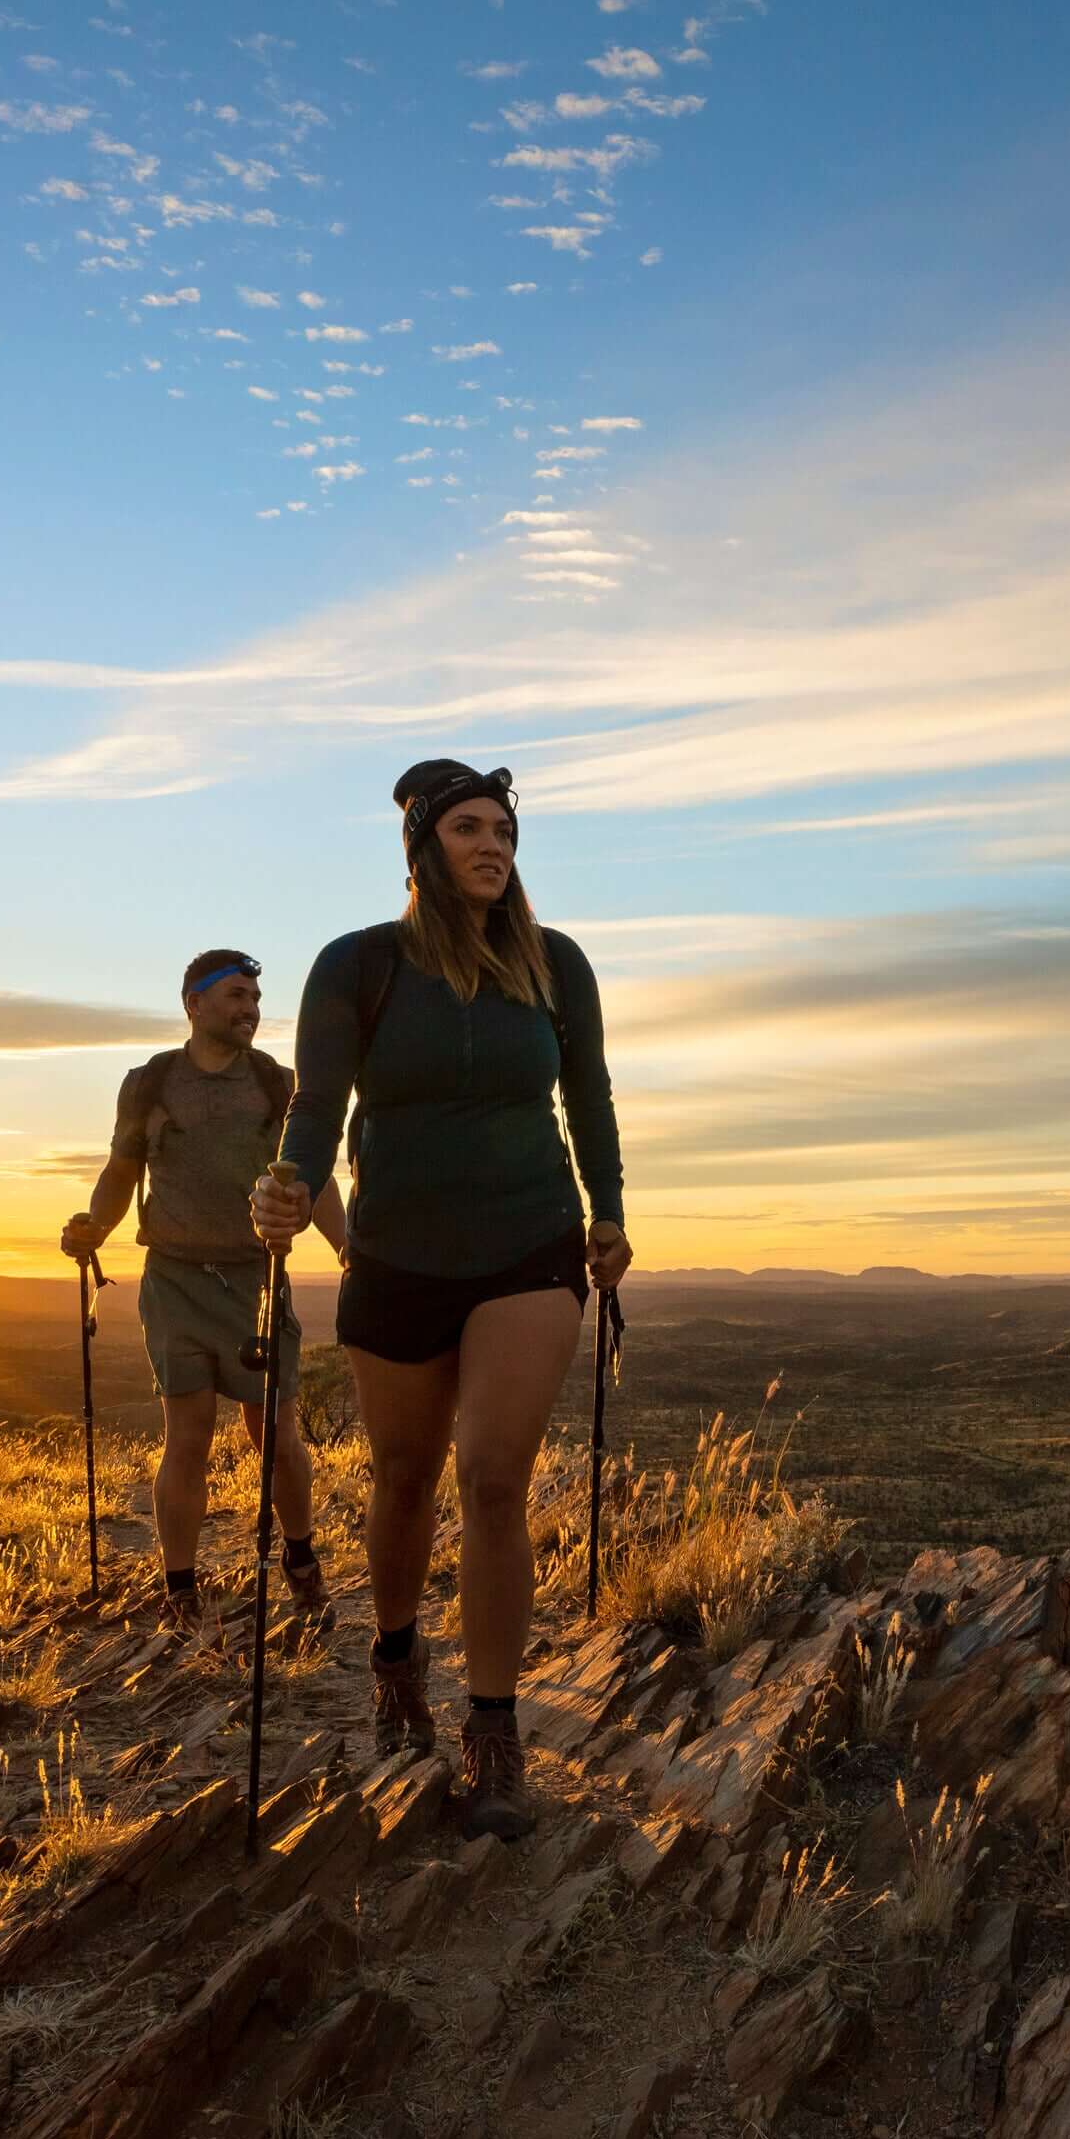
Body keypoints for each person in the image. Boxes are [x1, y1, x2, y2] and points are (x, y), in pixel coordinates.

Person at [252, 760, 629, 1840]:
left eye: (503, 829)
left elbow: (588, 1094)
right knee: (406, 1476)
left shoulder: (554, 963)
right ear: (422, 845)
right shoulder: (359, 964)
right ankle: (396, 1658)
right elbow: (318, 1104)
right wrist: (287, 1185)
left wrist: (607, 1209)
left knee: (493, 1477)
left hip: (530, 1242)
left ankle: (495, 1735)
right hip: (397, 1251)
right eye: (469, 827)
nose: (492, 844)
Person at [61, 948, 349, 1628]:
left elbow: (313, 1178)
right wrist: (94, 1226)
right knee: (186, 1436)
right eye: (236, 996)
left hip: (257, 1278)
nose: (251, 1009)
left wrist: (348, 1250)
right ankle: (181, 1588)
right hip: (174, 1279)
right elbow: (122, 1170)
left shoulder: (278, 1084)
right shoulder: (150, 1083)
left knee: (272, 1432)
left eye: (255, 999)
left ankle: (299, 1557)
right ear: (194, 1003)